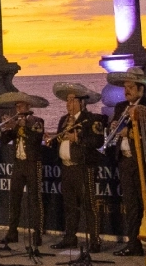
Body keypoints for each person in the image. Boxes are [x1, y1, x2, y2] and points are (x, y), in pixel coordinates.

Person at [106, 69, 146, 262]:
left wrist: (129, 134)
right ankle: (133, 244)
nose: (126, 91)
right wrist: (113, 127)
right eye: (125, 87)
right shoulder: (121, 106)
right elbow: (114, 126)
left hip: (144, 160)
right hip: (125, 159)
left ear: (141, 88)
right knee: (131, 205)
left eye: (131, 87)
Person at [46, 83, 107, 251]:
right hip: (67, 168)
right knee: (69, 205)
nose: (68, 104)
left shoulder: (91, 120)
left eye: (72, 100)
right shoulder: (63, 120)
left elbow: (98, 141)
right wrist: (51, 140)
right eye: (67, 101)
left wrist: (77, 139)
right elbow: (60, 141)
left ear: (82, 102)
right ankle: (70, 237)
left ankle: (94, 241)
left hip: (84, 167)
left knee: (89, 205)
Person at [0, 91, 49, 249]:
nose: (18, 108)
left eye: (21, 105)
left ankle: (37, 234)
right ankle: (12, 232)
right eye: (17, 106)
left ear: (28, 106)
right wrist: (6, 129)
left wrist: (23, 127)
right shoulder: (15, 123)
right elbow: (4, 141)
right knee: (14, 199)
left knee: (35, 200)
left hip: (32, 163)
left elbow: (36, 139)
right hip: (18, 164)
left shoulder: (37, 121)